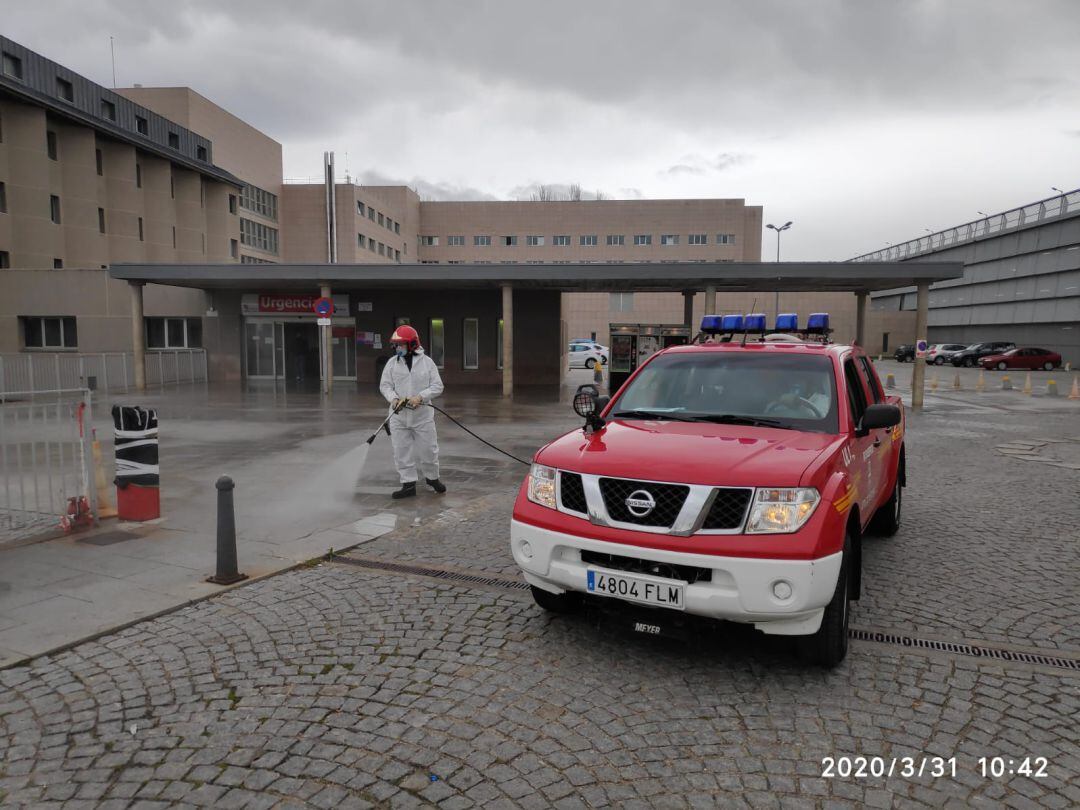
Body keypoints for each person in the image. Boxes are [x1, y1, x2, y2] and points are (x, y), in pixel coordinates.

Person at [379, 325, 446, 499]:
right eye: (395, 345)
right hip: (398, 417)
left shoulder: (427, 363)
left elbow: (437, 386)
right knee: (401, 451)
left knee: (429, 450)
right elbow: (385, 385)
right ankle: (408, 484)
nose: (397, 348)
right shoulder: (392, 363)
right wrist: (394, 399)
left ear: (412, 344)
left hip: (422, 416)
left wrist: (420, 397)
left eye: (400, 344)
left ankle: (432, 478)